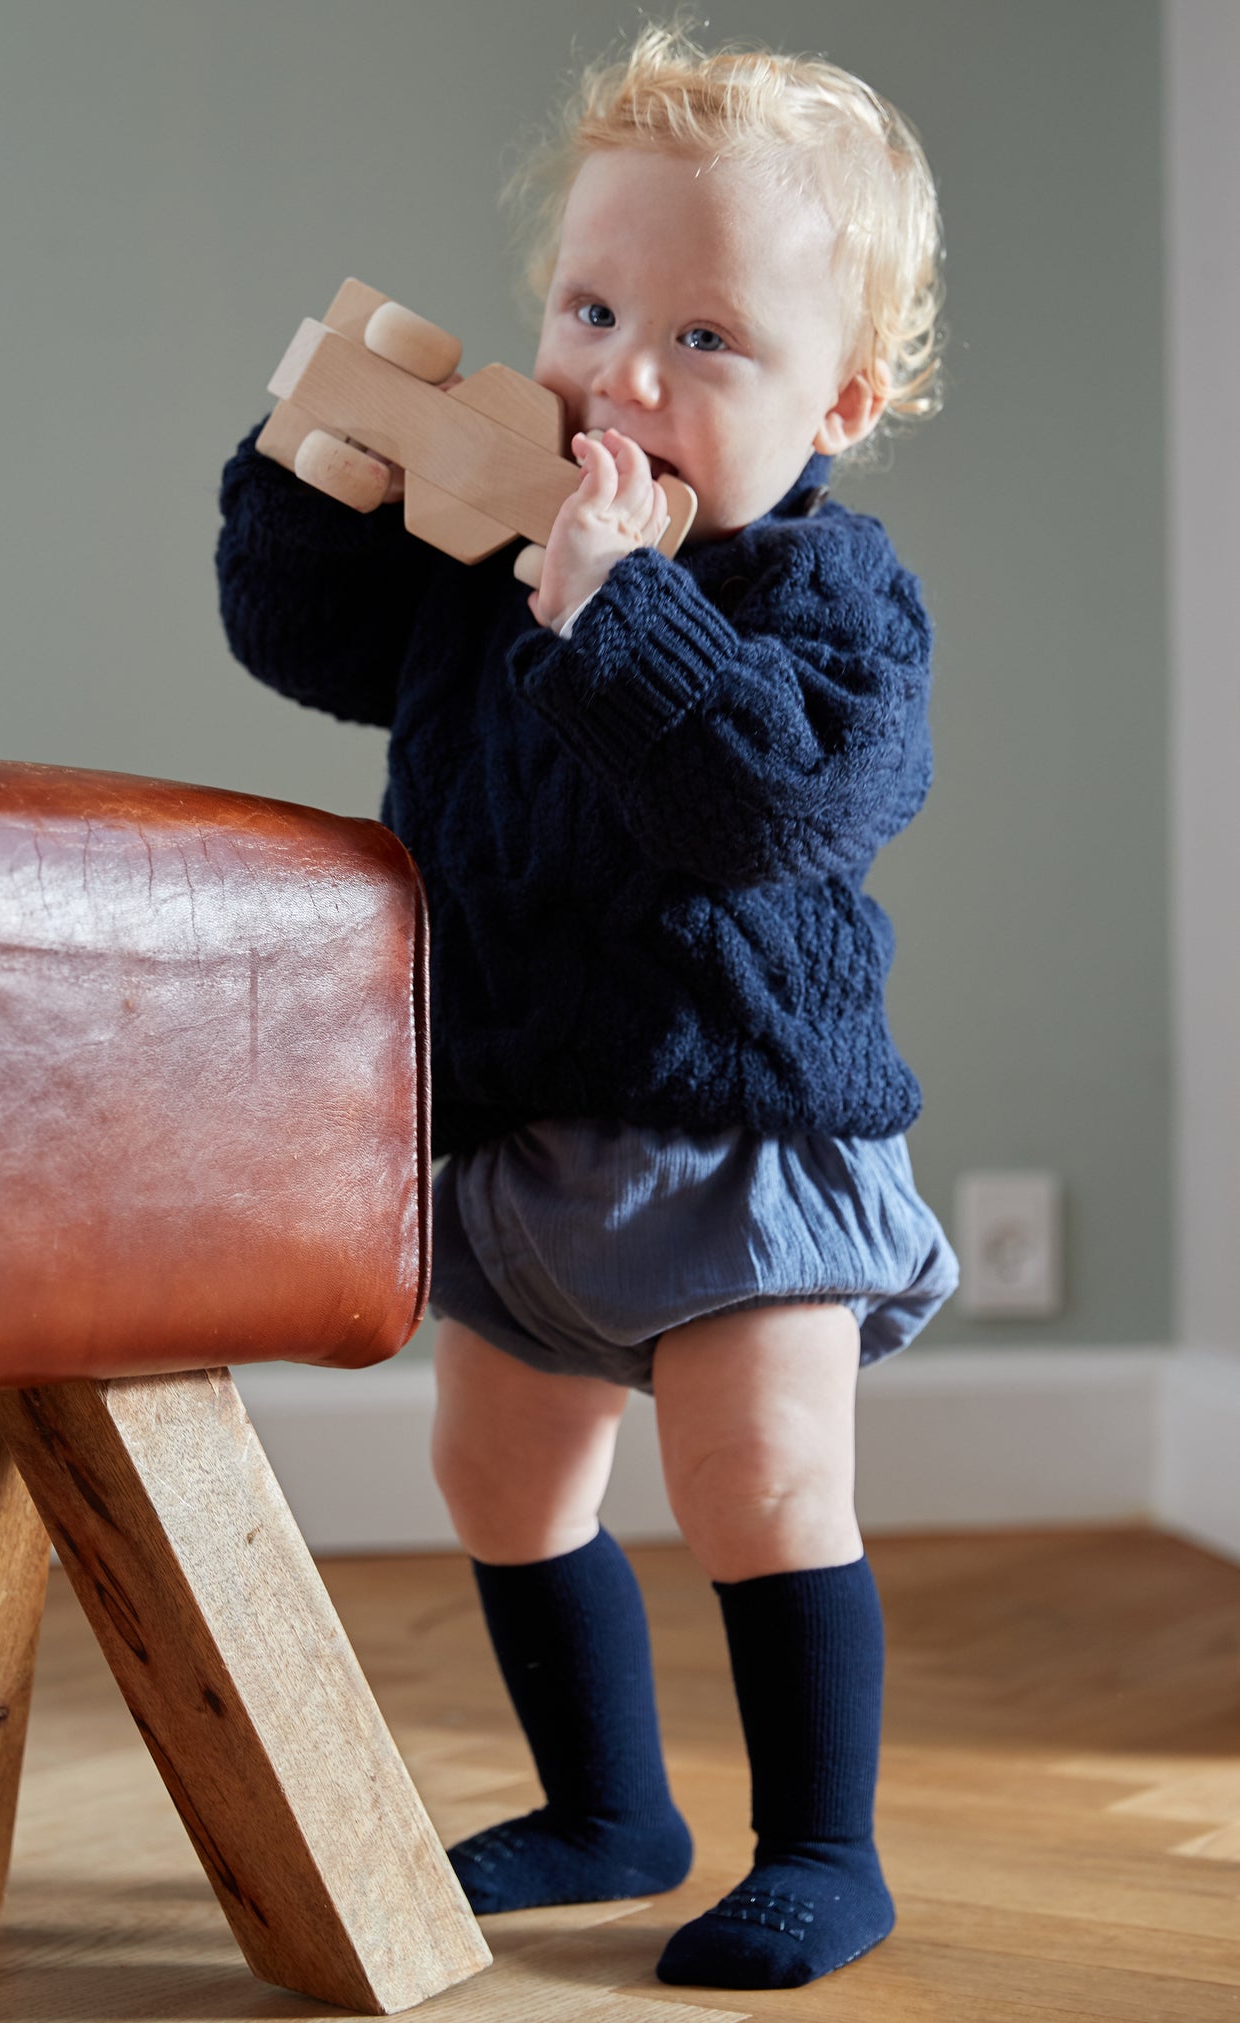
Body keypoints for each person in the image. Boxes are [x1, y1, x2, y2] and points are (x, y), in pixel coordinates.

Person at [216, 21, 959, 1993]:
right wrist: (314, 479)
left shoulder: (831, 597)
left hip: (744, 1124)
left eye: (708, 342)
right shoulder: (492, 567)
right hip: (520, 1121)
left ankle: (825, 1843)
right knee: (500, 1470)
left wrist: (619, 610)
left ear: (842, 398)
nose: (624, 373)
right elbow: (304, 641)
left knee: (758, 1481)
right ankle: (604, 1801)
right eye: (594, 304)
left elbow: (771, 807)